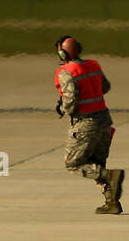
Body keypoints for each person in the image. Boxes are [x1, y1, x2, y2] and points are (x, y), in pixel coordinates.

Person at [54, 35, 125, 214]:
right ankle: (112, 203)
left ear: (63, 53)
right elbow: (105, 87)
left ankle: (110, 176)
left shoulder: (66, 72)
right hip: (105, 122)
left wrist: (62, 109)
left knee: (73, 164)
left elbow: (70, 101)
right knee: (96, 163)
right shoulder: (93, 65)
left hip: (85, 124)